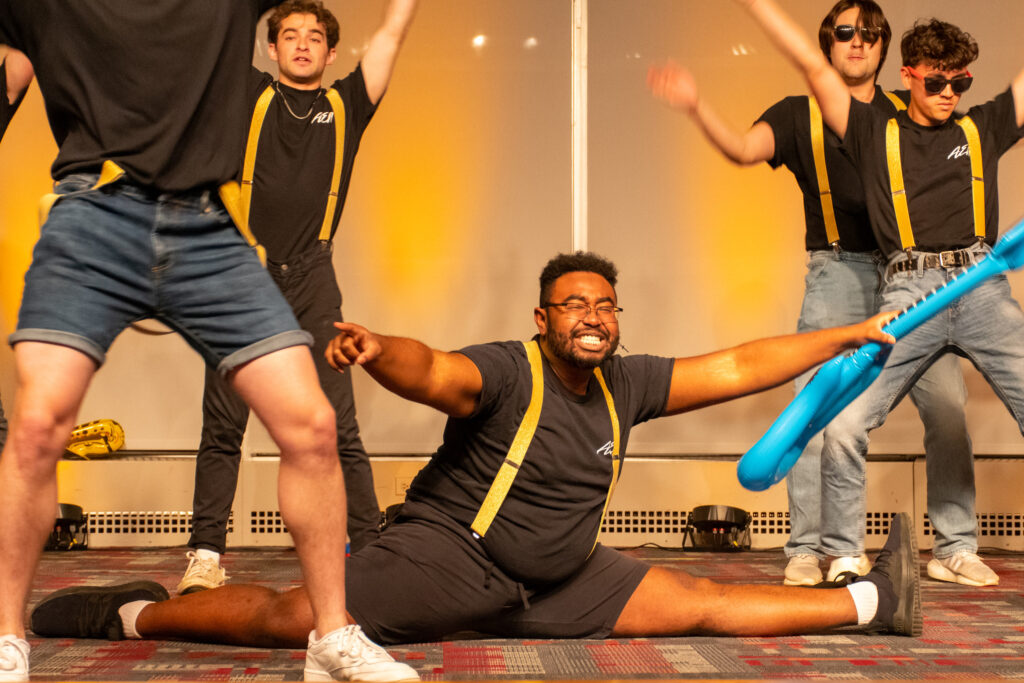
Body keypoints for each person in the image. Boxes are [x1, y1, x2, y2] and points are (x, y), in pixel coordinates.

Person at [30, 252, 923, 667]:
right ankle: (137, 616)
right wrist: (380, 348)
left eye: (606, 304)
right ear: (543, 318)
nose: (592, 315)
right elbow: (438, 372)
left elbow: (732, 365)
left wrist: (849, 333)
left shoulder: (631, 382)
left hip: (564, 575)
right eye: (573, 303)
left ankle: (876, 600)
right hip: (450, 557)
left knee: (702, 601)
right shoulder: (511, 367)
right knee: (289, 615)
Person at [0, 4, 414, 682]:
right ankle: (7, 636)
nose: (302, 44)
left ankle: (331, 636)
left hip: (206, 226)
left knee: (313, 425)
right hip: (92, 212)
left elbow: (386, 36)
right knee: (40, 422)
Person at [647, 1, 984, 587]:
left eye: (872, 34)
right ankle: (806, 548)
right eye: (847, 33)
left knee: (947, 407)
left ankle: (955, 545)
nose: (859, 42)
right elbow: (742, 149)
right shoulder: (800, 112)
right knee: (814, 410)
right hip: (838, 272)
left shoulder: (911, 112)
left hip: (910, 277)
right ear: (829, 42)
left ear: (886, 51)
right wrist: (697, 106)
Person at [736, 0, 1024, 588]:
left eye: (960, 81)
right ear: (910, 75)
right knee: (841, 424)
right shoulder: (871, 132)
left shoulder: (982, 125)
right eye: (938, 81)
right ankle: (842, 552)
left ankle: (955, 548)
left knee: (955, 416)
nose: (949, 92)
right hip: (912, 293)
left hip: (981, 284)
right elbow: (812, 69)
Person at [180, 0, 418, 597]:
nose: (303, 45)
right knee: (223, 421)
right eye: (290, 36)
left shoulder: (345, 106)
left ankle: (367, 549)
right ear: (271, 49)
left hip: (315, 274)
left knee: (340, 423)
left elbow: (391, 34)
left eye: (315, 37)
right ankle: (206, 553)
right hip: (241, 269)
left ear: (332, 53)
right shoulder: (249, 93)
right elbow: (216, 28)